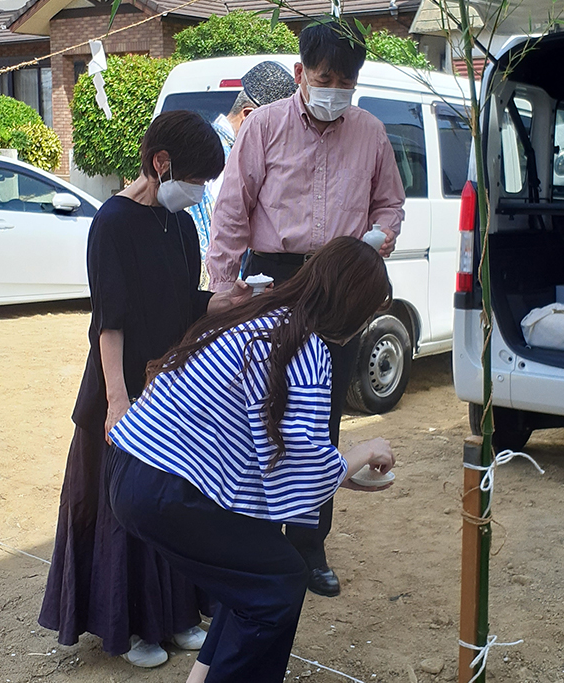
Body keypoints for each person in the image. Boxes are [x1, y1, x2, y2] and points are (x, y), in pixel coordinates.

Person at [107, 236, 397, 683]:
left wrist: (344, 472)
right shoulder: (301, 345)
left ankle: (201, 676)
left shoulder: (265, 318)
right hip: (165, 484)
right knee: (276, 585)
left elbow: (284, 454)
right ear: (351, 307)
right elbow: (301, 458)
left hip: (138, 468)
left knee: (255, 577)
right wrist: (363, 452)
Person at [39, 110, 253, 668]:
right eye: (197, 180)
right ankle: (132, 627)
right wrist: (117, 403)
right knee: (124, 509)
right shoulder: (111, 222)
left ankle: (178, 615)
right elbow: (109, 321)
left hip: (170, 390)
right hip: (121, 391)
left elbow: (184, 303)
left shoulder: (180, 225)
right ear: (161, 163)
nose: (199, 192)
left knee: (172, 503)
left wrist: (220, 302)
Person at [205, 20, 407, 597]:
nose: (333, 90)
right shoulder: (264, 127)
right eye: (324, 78)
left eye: (344, 82)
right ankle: (254, 540)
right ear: (300, 74)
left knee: (322, 415)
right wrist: (223, 286)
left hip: (339, 283)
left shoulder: (370, 133)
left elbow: (390, 206)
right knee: (257, 411)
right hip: (274, 278)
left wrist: (377, 240)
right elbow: (231, 212)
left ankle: (310, 545)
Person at [187, 61, 298, 269]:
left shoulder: (225, 147)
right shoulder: (218, 152)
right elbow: (226, 228)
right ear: (248, 115)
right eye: (275, 127)